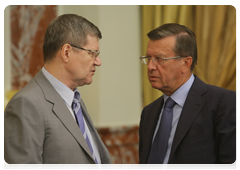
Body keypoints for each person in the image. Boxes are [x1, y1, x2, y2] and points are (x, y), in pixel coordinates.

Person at [4, 14, 112, 169]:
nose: (98, 62)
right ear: (66, 52)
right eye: (92, 53)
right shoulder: (26, 105)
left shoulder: (75, 100)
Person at [138, 23, 237, 169]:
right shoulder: (149, 112)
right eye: (148, 58)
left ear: (185, 63)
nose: (151, 67)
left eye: (159, 59)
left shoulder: (223, 103)